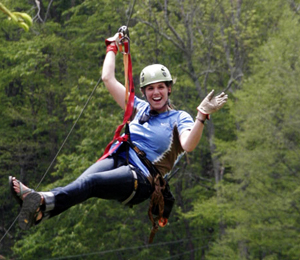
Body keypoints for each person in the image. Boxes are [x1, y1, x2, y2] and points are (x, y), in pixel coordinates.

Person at [9, 29, 228, 232]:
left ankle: (39, 200)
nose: (156, 92)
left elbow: (188, 144)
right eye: (150, 88)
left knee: (91, 184)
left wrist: (201, 116)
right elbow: (108, 78)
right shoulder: (139, 107)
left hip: (142, 177)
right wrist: (112, 47)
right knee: (81, 184)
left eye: (161, 87)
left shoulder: (179, 118)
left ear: (169, 89)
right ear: (144, 92)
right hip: (120, 156)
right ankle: (41, 213)